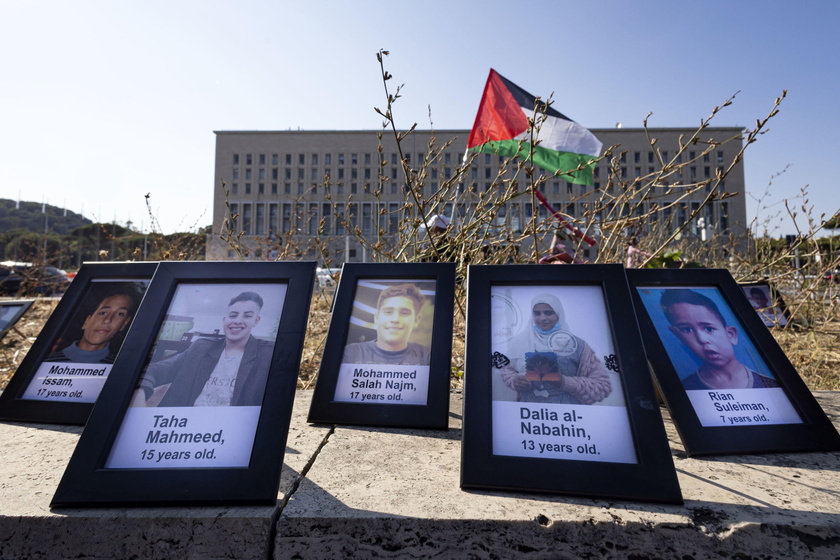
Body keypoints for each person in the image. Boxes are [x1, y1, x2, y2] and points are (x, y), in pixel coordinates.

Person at [135, 291, 273, 407]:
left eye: (247, 316)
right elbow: (153, 371)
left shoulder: (266, 355)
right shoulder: (201, 347)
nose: (237, 320)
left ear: (256, 320)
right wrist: (139, 394)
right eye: (233, 315)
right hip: (181, 429)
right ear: (224, 320)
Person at [499, 294, 611, 404]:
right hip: (529, 414)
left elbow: (602, 386)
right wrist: (515, 381)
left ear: (558, 314)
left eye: (548, 312)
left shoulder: (577, 345)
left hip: (567, 415)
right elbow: (508, 370)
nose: (542, 318)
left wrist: (564, 382)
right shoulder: (520, 342)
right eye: (537, 313)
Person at [661, 289, 779, 390]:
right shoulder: (684, 389)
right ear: (679, 337)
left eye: (709, 328)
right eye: (687, 330)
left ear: (731, 334)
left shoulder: (771, 386)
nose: (702, 339)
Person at [342, 283, 430, 366]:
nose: (395, 319)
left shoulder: (427, 356)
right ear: (376, 318)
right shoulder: (351, 353)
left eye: (404, 313)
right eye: (388, 312)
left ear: (416, 320)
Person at [44, 292, 135, 364]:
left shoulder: (119, 367)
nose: (108, 320)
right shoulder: (47, 361)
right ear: (87, 321)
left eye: (120, 314)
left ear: (124, 324)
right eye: (103, 313)